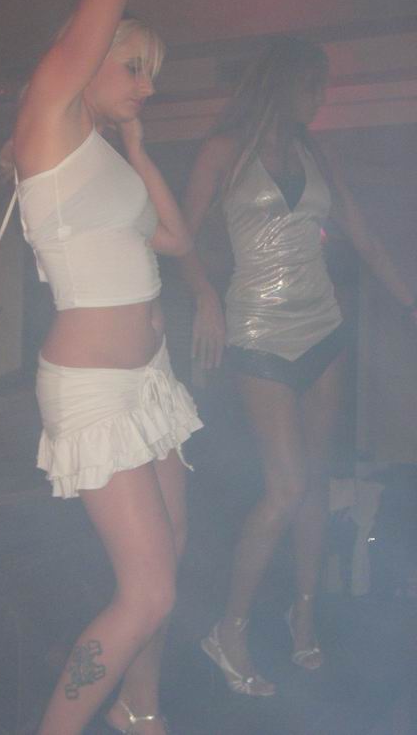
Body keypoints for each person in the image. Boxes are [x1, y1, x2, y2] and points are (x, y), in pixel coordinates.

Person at [0, 0, 203, 732]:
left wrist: (140, 147)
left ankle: (140, 712)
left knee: (171, 558)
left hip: (150, 377)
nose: (148, 87)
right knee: (148, 590)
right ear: (87, 56)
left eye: (154, 74)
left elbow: (176, 240)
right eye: (134, 66)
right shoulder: (49, 114)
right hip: (94, 388)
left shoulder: (109, 157)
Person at [178, 36, 417, 696]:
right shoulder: (223, 152)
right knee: (284, 486)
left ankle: (303, 612)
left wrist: (409, 302)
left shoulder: (316, 154)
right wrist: (204, 296)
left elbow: (362, 235)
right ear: (284, 83)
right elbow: (178, 236)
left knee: (314, 479)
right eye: (314, 86)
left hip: (322, 330)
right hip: (257, 332)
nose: (320, 99)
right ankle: (227, 629)